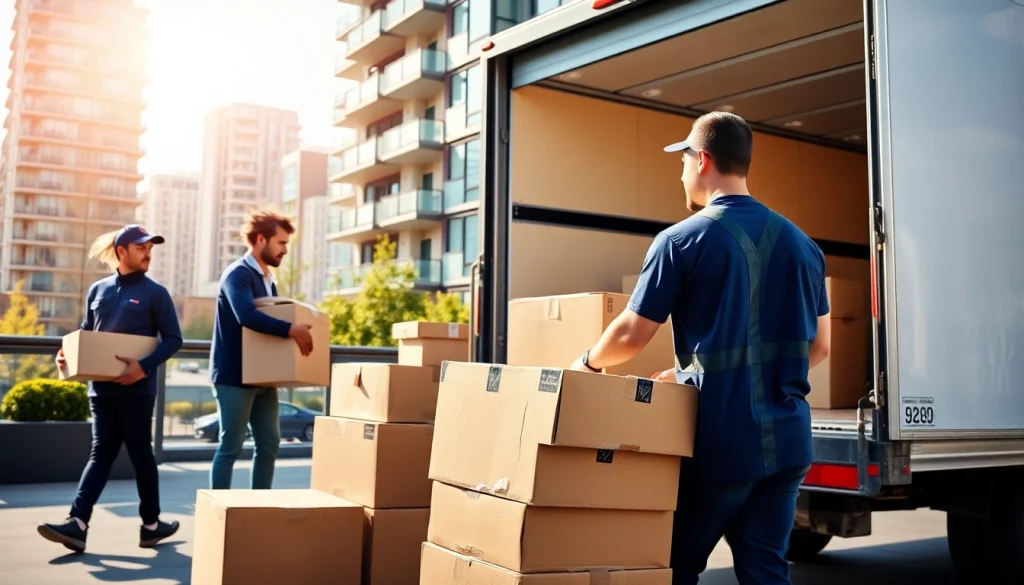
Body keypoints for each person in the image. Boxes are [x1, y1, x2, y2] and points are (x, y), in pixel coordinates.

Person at [568, 112, 832, 585]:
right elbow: (820, 347)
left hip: (722, 444)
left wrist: (583, 365)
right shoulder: (805, 247)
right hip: (788, 444)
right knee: (766, 573)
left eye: (684, 158)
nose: (682, 171)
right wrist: (693, 373)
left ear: (703, 159)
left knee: (671, 568)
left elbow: (630, 335)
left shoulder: (680, 241)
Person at [38, 225, 184, 554]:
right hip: (101, 390)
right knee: (101, 453)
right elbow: (88, 334)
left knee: (139, 454)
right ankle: (78, 524)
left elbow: (174, 339)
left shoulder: (156, 293)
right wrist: (67, 356)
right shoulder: (98, 290)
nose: (149, 253)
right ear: (122, 251)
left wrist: (142, 367)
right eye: (142, 247)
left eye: (151, 248)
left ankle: (150, 525)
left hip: (137, 389)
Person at [208, 208, 313, 490]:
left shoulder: (269, 280)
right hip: (233, 375)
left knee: (269, 443)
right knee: (230, 446)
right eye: (281, 243)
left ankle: (259, 505)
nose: (285, 251)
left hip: (263, 376)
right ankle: (220, 510)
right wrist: (292, 330)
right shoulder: (237, 275)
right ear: (260, 240)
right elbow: (246, 315)